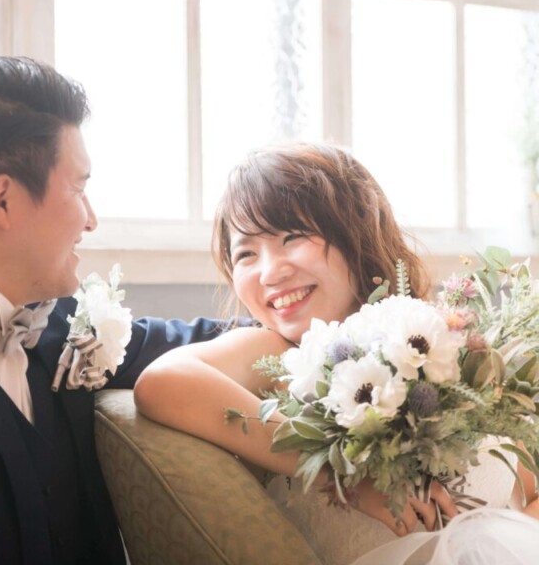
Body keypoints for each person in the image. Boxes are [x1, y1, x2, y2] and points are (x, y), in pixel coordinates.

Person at [134, 143, 539, 565]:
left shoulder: (440, 343)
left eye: (292, 237)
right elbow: (162, 382)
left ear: (356, 234)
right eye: (246, 254)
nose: (270, 272)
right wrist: (342, 475)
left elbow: (530, 490)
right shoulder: (278, 354)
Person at [0, 54, 231, 565]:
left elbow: (191, 341)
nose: (90, 219)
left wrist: (333, 331)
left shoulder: (65, 320)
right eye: (78, 188)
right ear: (4, 201)